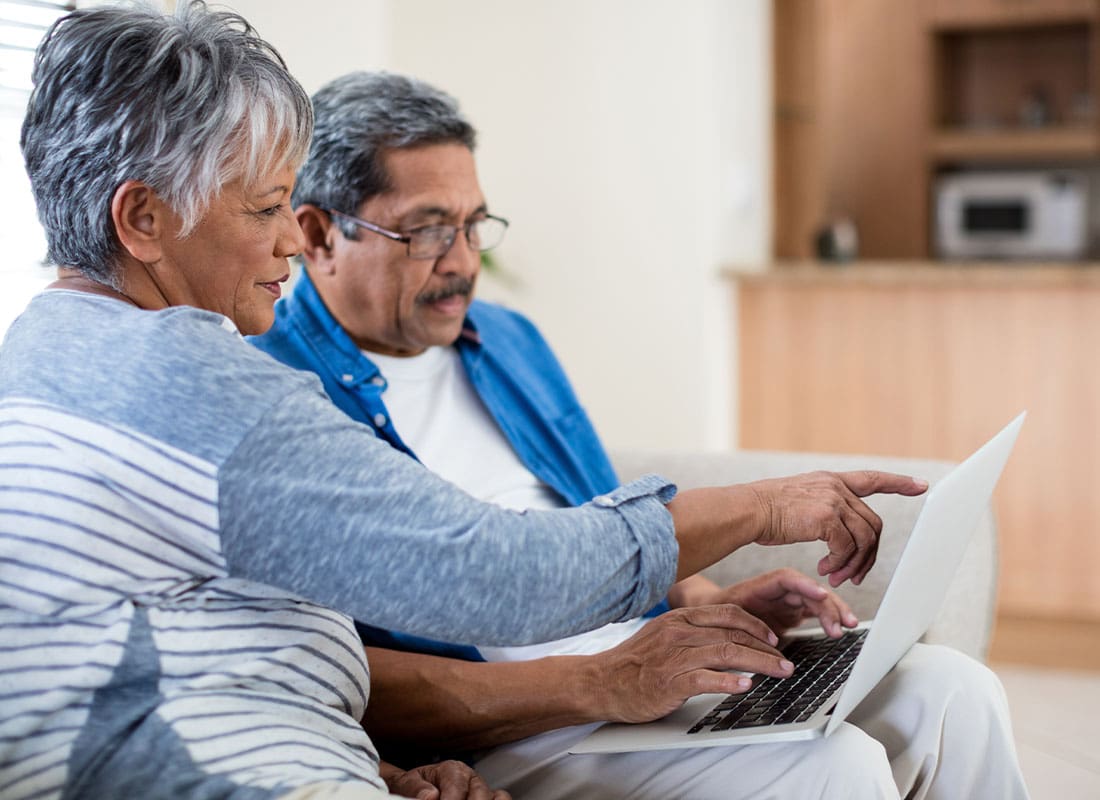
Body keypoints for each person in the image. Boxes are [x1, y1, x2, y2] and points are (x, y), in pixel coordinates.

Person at [0, 4, 929, 800]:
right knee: (834, 766)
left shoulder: (56, 350)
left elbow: (211, 642)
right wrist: (765, 505)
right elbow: (495, 576)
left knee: (945, 699)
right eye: (263, 209)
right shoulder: (188, 379)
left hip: (307, 758)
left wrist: (388, 768)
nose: (288, 235)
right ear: (142, 219)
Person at [250, 71, 1031, 800]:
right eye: (425, 232)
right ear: (317, 234)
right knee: (837, 765)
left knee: (958, 692)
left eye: (473, 225)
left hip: (649, 669)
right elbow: (329, 667)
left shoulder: (507, 338)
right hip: (530, 723)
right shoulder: (273, 395)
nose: (461, 263)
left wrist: (706, 598)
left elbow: (595, 509)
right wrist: (601, 679)